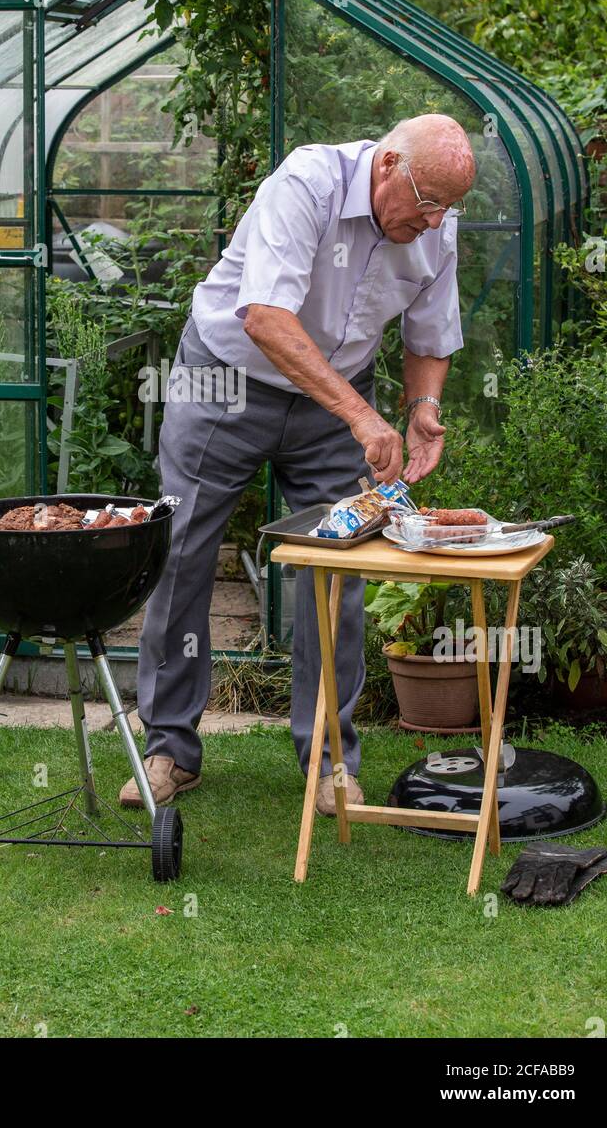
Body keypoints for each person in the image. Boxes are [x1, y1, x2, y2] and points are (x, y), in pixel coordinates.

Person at [120, 113, 475, 814]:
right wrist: (363, 416)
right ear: (387, 167)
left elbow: (430, 335)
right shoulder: (307, 183)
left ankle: (330, 763)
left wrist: (423, 407)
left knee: (336, 573)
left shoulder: (437, 227)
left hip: (335, 401)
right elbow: (266, 318)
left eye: (448, 208)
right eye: (428, 202)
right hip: (225, 377)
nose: (435, 222)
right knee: (183, 553)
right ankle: (168, 750)